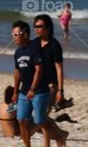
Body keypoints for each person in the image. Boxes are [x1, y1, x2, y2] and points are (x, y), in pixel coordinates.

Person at [11, 20, 64, 147]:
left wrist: (33, 89)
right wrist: (15, 91)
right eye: (12, 34)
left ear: (25, 34)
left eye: (16, 34)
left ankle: (59, 136)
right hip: (24, 92)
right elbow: (17, 72)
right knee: (21, 120)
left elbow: (39, 70)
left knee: (39, 121)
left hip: (39, 91)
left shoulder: (35, 48)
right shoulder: (17, 52)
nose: (14, 37)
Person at [32, 16, 69, 146]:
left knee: (42, 116)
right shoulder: (35, 43)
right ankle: (60, 135)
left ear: (47, 27)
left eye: (40, 26)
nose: (37, 29)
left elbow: (59, 69)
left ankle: (48, 143)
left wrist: (60, 90)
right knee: (40, 118)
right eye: (35, 26)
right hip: (36, 85)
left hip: (51, 86)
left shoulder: (55, 45)